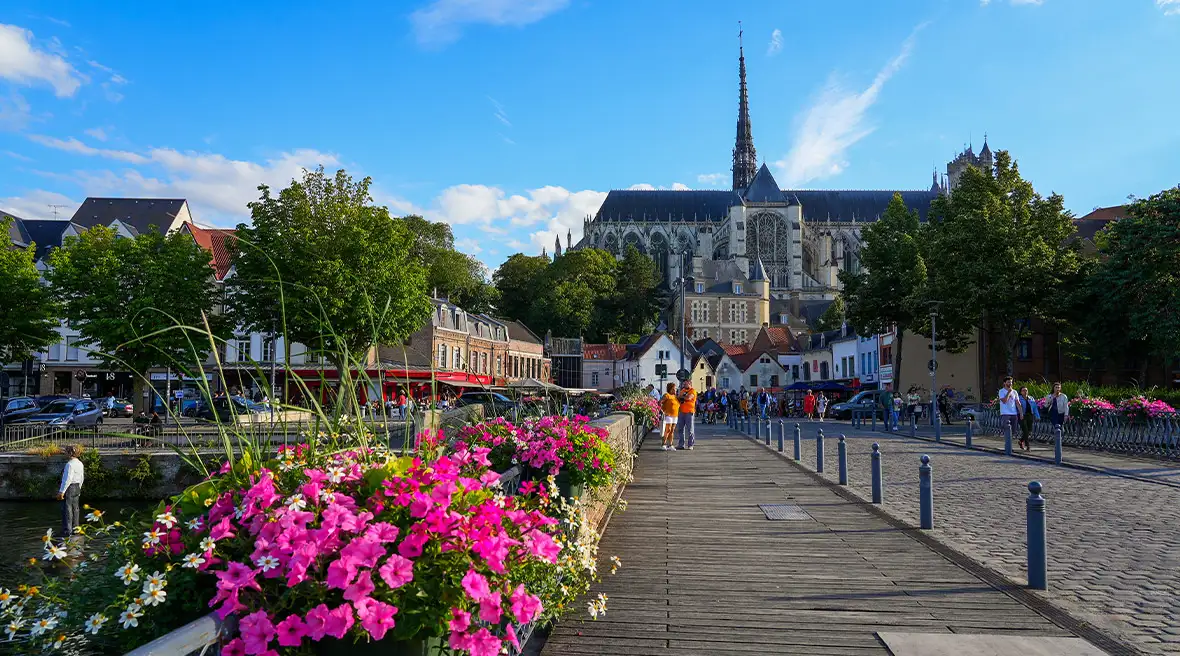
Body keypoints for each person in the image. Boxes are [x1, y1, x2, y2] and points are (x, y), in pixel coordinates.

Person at [58, 445, 84, 537]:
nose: (64, 453)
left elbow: (67, 479)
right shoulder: (80, 463)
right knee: (75, 508)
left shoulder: (69, 464)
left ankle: (67, 531)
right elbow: (81, 477)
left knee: (67, 509)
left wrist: (62, 491)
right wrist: (79, 488)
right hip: (77, 487)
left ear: (70, 453)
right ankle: (76, 528)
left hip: (70, 488)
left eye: (66, 451)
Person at [997, 376, 1022, 443]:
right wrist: (1008, 392)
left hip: (1014, 413)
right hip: (1005, 413)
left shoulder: (1015, 392)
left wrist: (1021, 413)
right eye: (1008, 382)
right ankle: (1007, 445)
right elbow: (1004, 401)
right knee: (1007, 430)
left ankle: (1010, 445)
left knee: (1013, 432)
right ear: (1004, 383)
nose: (1010, 384)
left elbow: (1017, 403)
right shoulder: (1001, 391)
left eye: (1011, 382)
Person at [675, 381, 697, 451]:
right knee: (680, 429)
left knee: (690, 429)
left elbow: (689, 398)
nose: (684, 385)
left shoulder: (693, 391)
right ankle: (681, 444)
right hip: (681, 411)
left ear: (690, 384)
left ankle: (690, 445)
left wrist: (682, 397)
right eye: (684, 384)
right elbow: (678, 397)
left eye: (686, 384)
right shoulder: (683, 390)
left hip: (689, 412)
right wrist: (683, 396)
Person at [1017, 386, 1041, 451]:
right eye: (1023, 390)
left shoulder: (1031, 398)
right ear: (1021, 392)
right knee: (1025, 430)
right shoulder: (1018, 398)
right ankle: (1028, 446)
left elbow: (1035, 408)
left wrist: (1037, 416)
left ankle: (1021, 440)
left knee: (1029, 430)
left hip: (1030, 415)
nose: (1025, 392)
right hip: (1022, 415)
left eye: (1026, 390)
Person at [659, 383, 679, 451]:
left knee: (672, 430)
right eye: (673, 389)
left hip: (675, 415)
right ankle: (663, 444)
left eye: (675, 389)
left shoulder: (675, 397)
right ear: (670, 389)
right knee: (668, 430)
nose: (675, 390)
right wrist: (662, 411)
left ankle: (670, 445)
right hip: (668, 415)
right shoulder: (666, 395)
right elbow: (660, 402)